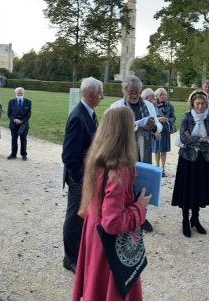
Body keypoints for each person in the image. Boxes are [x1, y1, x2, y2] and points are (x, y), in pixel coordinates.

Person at [72, 107, 151, 301]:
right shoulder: (120, 168)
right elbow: (113, 222)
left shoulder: (97, 157)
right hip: (107, 244)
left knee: (95, 288)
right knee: (109, 290)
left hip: (94, 232)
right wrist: (140, 206)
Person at [109, 75, 161, 233]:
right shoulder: (116, 106)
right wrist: (132, 128)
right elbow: (110, 130)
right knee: (125, 182)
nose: (134, 94)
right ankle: (125, 215)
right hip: (124, 150)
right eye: (131, 91)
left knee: (143, 182)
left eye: (137, 91)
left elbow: (159, 126)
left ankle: (142, 216)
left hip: (144, 147)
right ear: (124, 90)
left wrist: (153, 127)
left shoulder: (148, 105)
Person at [61, 77, 103, 273]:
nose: (102, 97)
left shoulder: (90, 113)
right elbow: (68, 155)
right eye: (99, 93)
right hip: (79, 177)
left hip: (87, 175)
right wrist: (79, 180)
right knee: (74, 216)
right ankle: (70, 258)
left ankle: (79, 253)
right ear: (90, 94)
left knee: (83, 216)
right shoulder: (78, 116)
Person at [172, 91, 209, 237]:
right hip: (187, 159)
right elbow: (183, 138)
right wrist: (201, 139)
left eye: (203, 104)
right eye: (197, 104)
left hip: (203, 159)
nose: (200, 107)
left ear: (206, 104)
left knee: (199, 190)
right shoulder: (186, 116)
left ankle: (195, 219)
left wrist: (204, 140)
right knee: (187, 190)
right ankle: (185, 220)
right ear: (192, 103)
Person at [153, 88, 176, 174]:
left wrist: (167, 119)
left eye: (164, 94)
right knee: (156, 149)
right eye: (161, 94)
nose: (163, 96)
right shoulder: (153, 105)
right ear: (157, 96)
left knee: (163, 149)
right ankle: (157, 166)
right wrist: (158, 119)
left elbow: (173, 118)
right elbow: (150, 117)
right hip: (156, 130)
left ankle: (162, 168)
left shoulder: (170, 106)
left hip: (165, 130)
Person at [7, 87, 32, 161]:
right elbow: (9, 114)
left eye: (21, 93)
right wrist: (14, 119)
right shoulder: (11, 102)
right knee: (14, 140)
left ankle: (24, 154)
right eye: (18, 93)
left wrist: (22, 121)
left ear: (23, 93)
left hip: (24, 125)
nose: (19, 94)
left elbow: (29, 114)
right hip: (13, 124)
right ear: (15, 93)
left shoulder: (28, 102)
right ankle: (13, 154)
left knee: (23, 140)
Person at [141, 88, 160, 164]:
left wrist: (155, 133)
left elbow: (154, 123)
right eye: (152, 97)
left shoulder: (151, 106)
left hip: (147, 140)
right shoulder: (145, 106)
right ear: (146, 97)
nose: (154, 100)